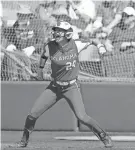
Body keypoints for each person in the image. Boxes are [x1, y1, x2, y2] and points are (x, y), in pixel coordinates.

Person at [13, 20, 112, 148]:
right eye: (56, 30)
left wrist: (100, 47)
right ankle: (23, 141)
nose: (56, 33)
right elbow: (43, 57)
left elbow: (94, 41)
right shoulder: (50, 46)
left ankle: (104, 136)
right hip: (55, 87)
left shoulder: (76, 44)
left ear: (68, 34)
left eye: (60, 31)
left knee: (82, 117)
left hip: (71, 87)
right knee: (32, 115)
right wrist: (39, 73)